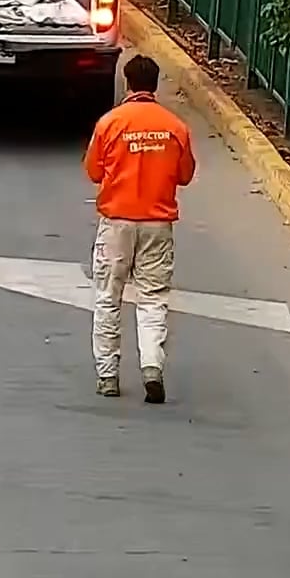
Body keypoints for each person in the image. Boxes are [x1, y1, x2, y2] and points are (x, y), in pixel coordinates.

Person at [84, 53, 196, 403]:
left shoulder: (110, 123)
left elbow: (94, 172)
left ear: (128, 84)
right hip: (157, 225)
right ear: (155, 84)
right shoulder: (175, 127)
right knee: (153, 298)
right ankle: (152, 367)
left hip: (116, 222)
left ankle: (107, 375)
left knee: (108, 298)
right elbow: (186, 175)